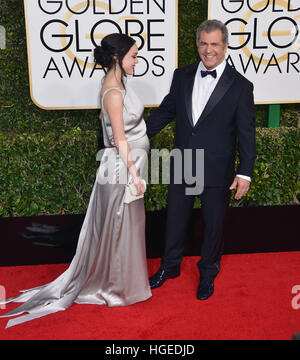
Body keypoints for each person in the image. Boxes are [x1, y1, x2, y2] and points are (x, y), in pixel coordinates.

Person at [0, 33, 152, 328]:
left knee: (122, 227)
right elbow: (119, 139)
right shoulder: (113, 93)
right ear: (116, 59)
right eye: (133, 56)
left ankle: (122, 284)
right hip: (122, 168)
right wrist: (135, 175)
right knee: (119, 227)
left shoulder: (118, 84)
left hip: (127, 165)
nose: (137, 61)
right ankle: (115, 289)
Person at [146, 20, 256, 300]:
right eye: (204, 43)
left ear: (225, 45)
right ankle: (169, 267)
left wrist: (245, 172)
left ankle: (208, 272)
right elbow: (165, 112)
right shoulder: (181, 75)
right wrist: (131, 135)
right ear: (197, 45)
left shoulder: (241, 86)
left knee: (214, 224)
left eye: (215, 44)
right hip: (184, 162)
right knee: (175, 219)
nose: (209, 50)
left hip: (217, 168)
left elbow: (246, 133)